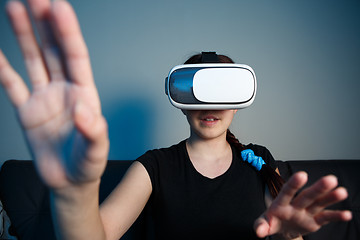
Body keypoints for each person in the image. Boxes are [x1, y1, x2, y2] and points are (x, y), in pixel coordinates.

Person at [0, 0, 352, 239]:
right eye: (196, 91)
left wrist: (288, 237)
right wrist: (73, 195)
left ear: (237, 102)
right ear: (179, 101)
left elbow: (286, 226)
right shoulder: (155, 166)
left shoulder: (259, 160)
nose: (209, 105)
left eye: (221, 91)